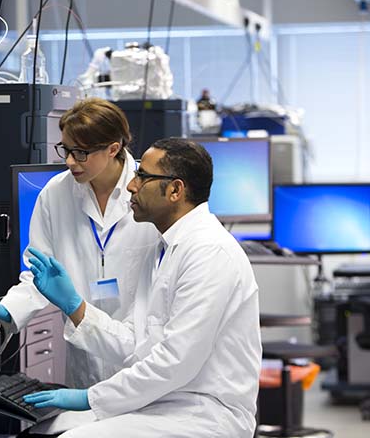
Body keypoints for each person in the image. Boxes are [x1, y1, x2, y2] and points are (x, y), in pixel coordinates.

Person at [23, 138, 262, 438]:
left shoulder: (209, 253)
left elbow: (175, 362)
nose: (132, 186)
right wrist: (76, 308)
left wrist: (90, 397)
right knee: (43, 429)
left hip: (204, 411)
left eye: (143, 177)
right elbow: (137, 341)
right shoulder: (164, 250)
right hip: (165, 400)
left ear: (175, 190)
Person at [0, 98, 159, 390]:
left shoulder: (149, 194)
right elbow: (40, 274)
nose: (70, 161)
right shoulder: (55, 194)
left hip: (141, 360)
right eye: (66, 149)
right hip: (84, 359)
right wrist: (10, 309)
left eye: (81, 153)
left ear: (113, 149)